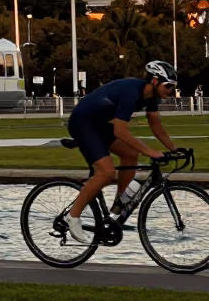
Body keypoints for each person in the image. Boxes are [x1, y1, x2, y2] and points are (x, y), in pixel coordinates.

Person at [63, 60, 180, 242]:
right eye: (169, 86)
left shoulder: (151, 97)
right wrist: (149, 151)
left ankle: (119, 204)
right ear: (155, 81)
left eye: (174, 87)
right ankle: (73, 216)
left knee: (130, 154)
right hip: (82, 123)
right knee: (107, 172)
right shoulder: (132, 92)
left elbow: (155, 124)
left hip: (97, 124)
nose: (172, 92)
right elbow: (120, 130)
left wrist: (174, 149)